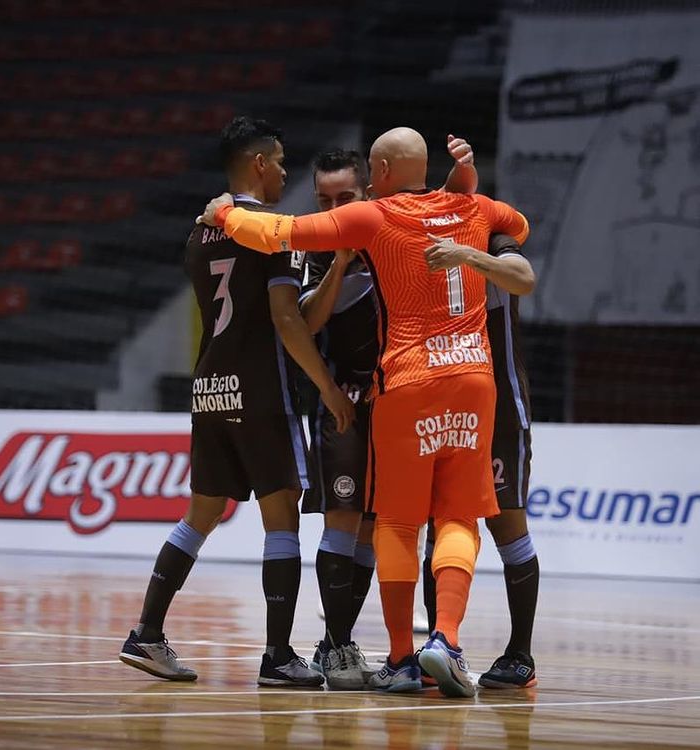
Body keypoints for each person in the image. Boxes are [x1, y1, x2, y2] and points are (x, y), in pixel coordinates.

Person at [198, 126, 529, 698]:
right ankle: (445, 640)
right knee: (457, 519)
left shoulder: (373, 217)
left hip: (407, 382)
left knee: (398, 524)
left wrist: (225, 215)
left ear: (377, 171)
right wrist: (465, 191)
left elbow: (282, 232)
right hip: (474, 382)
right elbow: (517, 226)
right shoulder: (474, 206)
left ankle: (401, 658)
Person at [119, 116, 354, 688]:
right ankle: (277, 655)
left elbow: (258, 308)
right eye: (277, 161)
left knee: (200, 514)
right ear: (257, 164)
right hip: (260, 387)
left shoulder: (199, 233)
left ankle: (146, 633)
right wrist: (326, 387)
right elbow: (285, 319)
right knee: (281, 515)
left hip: (209, 386)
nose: (283, 171)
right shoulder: (269, 230)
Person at [299, 141, 477, 690]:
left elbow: (460, 209)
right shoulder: (326, 245)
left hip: (407, 393)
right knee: (345, 520)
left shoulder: (392, 225)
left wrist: (464, 171)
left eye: (344, 197)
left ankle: (424, 651)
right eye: (323, 199)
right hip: (348, 399)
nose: (333, 209)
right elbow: (305, 322)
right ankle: (337, 647)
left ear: (369, 189)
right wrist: (343, 261)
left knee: (393, 525)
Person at [422, 231, 538, 689]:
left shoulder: (495, 236)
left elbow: (524, 278)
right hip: (444, 405)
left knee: (507, 524)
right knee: (441, 522)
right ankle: (441, 645)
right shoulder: (426, 235)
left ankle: (521, 655)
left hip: (503, 410)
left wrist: (466, 254)